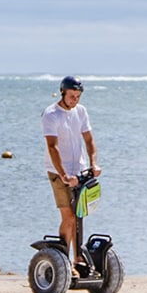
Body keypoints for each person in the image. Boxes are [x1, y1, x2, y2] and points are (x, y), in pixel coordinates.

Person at [41, 76, 100, 267]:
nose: (75, 100)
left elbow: (89, 140)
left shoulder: (81, 112)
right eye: (72, 96)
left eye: (78, 96)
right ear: (63, 93)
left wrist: (93, 164)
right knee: (69, 217)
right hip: (58, 173)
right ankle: (64, 262)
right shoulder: (51, 114)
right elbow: (52, 147)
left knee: (79, 215)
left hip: (80, 171)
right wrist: (64, 174)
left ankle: (79, 259)